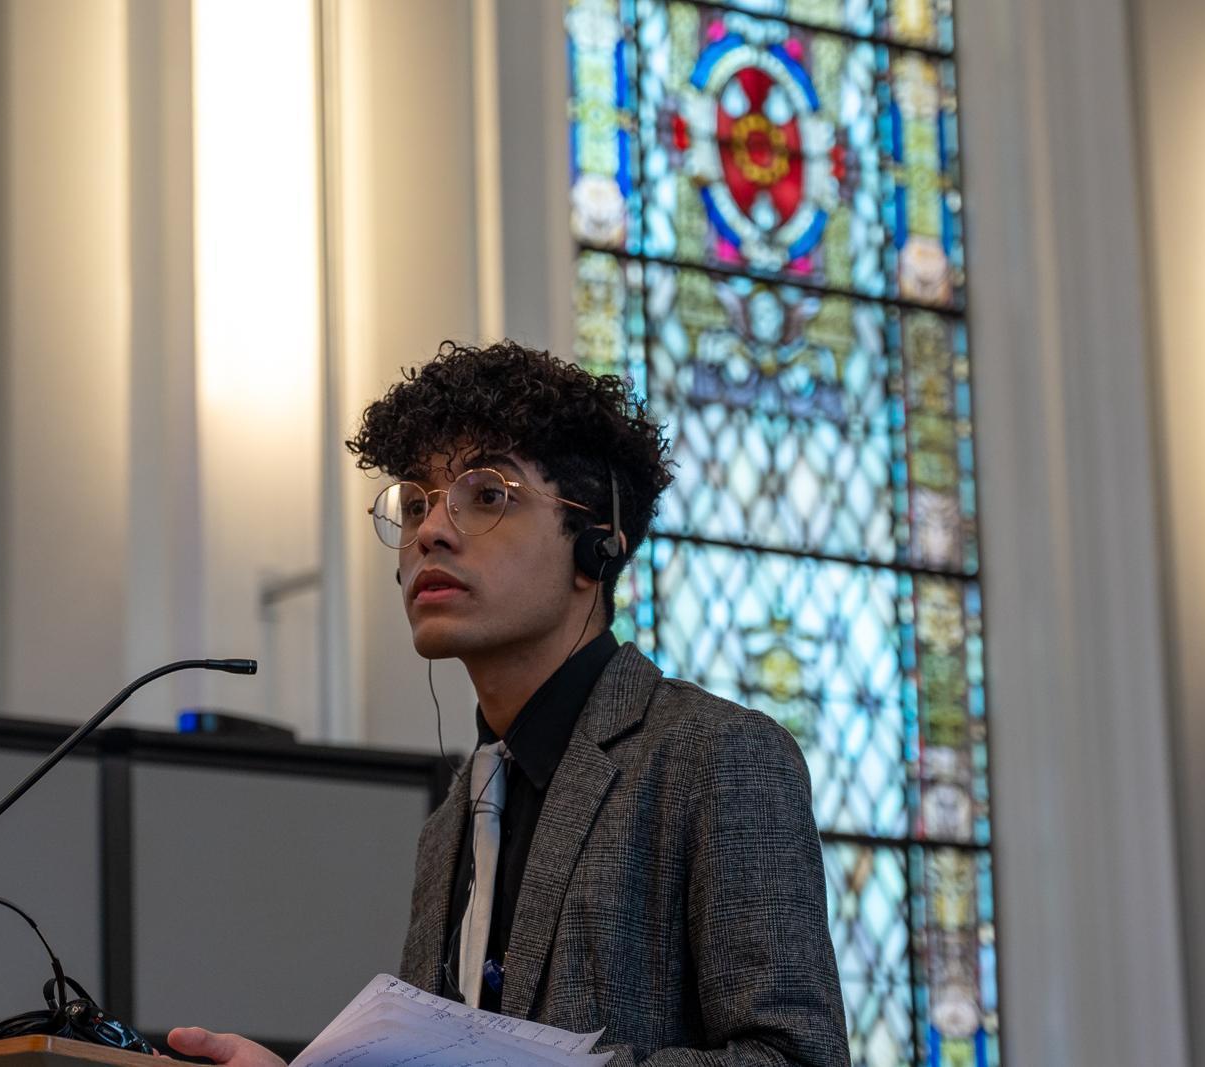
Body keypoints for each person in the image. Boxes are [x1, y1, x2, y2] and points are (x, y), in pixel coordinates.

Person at [169, 341, 847, 1066]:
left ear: (597, 547)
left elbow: (795, 1058)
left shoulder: (718, 756)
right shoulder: (449, 822)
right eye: (416, 502)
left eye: (486, 494)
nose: (428, 530)